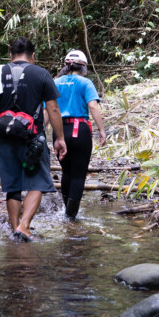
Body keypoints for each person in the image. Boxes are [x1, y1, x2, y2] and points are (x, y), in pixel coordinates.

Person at [0, 37, 67, 242]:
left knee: (12, 186)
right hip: (33, 138)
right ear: (33, 56)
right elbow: (53, 108)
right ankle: (24, 226)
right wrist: (60, 138)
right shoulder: (41, 74)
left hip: (4, 138)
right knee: (36, 182)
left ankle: (14, 229)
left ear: (10, 56)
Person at [53, 49, 106, 220]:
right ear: (83, 66)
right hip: (79, 130)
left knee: (66, 171)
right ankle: (71, 216)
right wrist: (102, 130)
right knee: (78, 174)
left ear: (66, 65)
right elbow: (93, 107)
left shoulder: (55, 82)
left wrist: (39, 131)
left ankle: (65, 212)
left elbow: (48, 110)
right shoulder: (85, 83)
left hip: (59, 131)